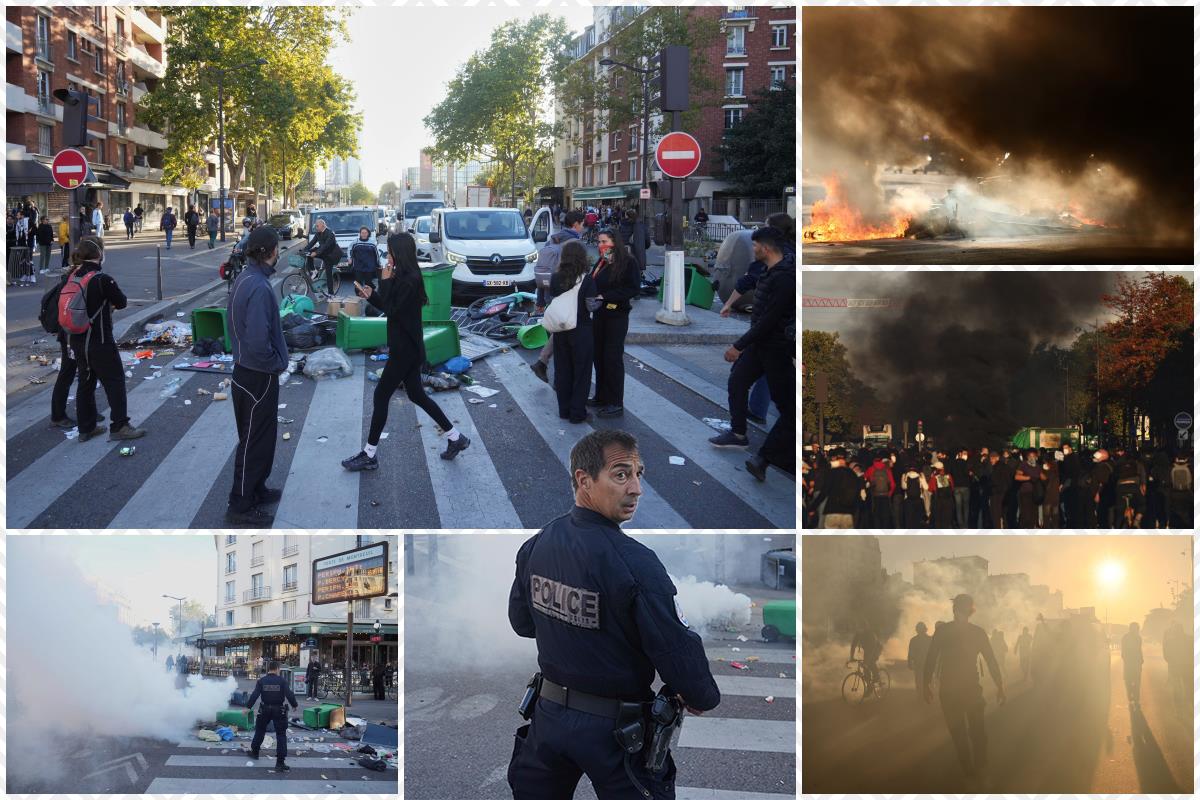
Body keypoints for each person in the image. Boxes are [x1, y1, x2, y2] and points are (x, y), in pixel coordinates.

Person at [506, 430, 720, 798]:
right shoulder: (636, 563)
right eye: (621, 475)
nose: (636, 488)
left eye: (639, 474)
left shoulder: (538, 543)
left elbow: (523, 623)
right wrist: (699, 695)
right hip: (616, 732)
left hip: (549, 718)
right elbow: (673, 646)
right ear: (584, 480)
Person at [342, 233, 469, 471]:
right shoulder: (404, 275)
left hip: (405, 350)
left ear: (398, 253)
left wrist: (385, 280)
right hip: (408, 346)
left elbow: (393, 310)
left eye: (390, 251)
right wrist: (373, 295)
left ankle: (369, 454)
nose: (387, 256)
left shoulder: (409, 279)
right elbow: (390, 307)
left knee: (381, 396)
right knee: (417, 395)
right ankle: (456, 437)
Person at [709, 227, 795, 482]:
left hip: (778, 349)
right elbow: (754, 297)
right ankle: (738, 434)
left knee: (789, 409)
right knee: (737, 382)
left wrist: (738, 345)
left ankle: (764, 458)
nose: (753, 249)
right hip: (760, 345)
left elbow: (769, 319)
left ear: (766, 248)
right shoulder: (768, 270)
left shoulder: (785, 277)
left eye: (756, 246)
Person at [226, 226, 288, 526]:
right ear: (270, 251)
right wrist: (276, 362)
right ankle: (240, 504)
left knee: (260, 439)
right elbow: (258, 341)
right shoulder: (260, 287)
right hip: (257, 374)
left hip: (245, 371)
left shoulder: (245, 278)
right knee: (253, 442)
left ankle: (256, 490)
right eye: (277, 248)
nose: (279, 252)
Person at [66, 237, 146, 443]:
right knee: (115, 381)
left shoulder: (72, 275)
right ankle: (119, 426)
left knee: (86, 383)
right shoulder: (102, 279)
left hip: (77, 339)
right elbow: (121, 302)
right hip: (100, 340)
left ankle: (86, 428)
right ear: (99, 254)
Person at [923, 594, 1005, 779]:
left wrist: (925, 684)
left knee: (960, 733)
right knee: (977, 731)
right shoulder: (977, 632)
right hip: (969, 689)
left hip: (952, 690)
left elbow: (931, 659)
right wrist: (1000, 686)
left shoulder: (944, 631)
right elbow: (991, 660)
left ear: (955, 609)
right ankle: (979, 768)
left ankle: (971, 770)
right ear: (971, 610)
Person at [587, 228, 639, 419]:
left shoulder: (628, 262)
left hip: (617, 315)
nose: (600, 246)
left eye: (604, 242)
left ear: (614, 243)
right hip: (599, 314)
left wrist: (606, 296)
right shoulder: (602, 261)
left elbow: (632, 288)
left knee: (612, 358)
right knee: (598, 357)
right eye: (599, 242)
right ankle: (601, 396)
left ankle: (616, 402)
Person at [530, 211, 584, 383]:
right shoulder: (576, 244)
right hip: (568, 294)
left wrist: (540, 300)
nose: (583, 227)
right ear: (576, 224)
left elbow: (543, 271)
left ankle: (545, 365)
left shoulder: (552, 239)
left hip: (549, 293)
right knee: (564, 336)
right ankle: (552, 371)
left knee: (558, 332)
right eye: (582, 224)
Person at [547, 240, 596, 424]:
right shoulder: (588, 279)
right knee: (581, 373)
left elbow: (553, 298)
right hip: (581, 330)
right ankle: (577, 413)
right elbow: (590, 307)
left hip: (561, 330)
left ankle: (564, 410)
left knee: (563, 371)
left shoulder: (556, 278)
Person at [247, 660, 299, 772]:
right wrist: (294, 705)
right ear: (277, 669)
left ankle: (255, 752)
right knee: (281, 735)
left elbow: (255, 694)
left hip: (264, 709)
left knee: (260, 730)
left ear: (268, 669)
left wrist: (248, 707)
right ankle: (280, 762)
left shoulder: (262, 681)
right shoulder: (282, 681)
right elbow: (289, 694)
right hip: (279, 710)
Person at [304, 218, 341, 294]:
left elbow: (325, 246)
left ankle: (331, 294)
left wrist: (316, 253)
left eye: (317, 226)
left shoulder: (330, 234)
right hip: (323, 251)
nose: (316, 227)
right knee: (309, 253)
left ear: (322, 225)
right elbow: (312, 242)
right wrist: (304, 250)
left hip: (331, 255)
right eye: (315, 226)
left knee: (328, 274)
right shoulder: (318, 233)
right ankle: (314, 271)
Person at [1113, 446, 1146, 528]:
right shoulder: (1138, 465)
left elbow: (1114, 477)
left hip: (1120, 487)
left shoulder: (1119, 464)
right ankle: (1137, 520)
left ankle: (1117, 528)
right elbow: (1143, 481)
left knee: (1119, 511)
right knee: (1142, 504)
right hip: (1134, 486)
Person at [1161, 619, 1189, 714]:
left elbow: (1166, 655)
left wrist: (1171, 662)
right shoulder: (1190, 639)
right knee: (1188, 686)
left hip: (1175, 667)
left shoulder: (1169, 641)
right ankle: (1189, 705)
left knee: (1177, 687)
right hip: (1187, 666)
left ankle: (1179, 709)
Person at [865, 451, 895, 527]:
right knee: (885, 515)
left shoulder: (870, 469)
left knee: (876, 515)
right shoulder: (887, 469)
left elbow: (865, 480)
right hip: (885, 495)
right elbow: (893, 484)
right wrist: (889, 494)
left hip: (874, 496)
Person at [849, 620, 882, 688]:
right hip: (867, 650)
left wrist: (866, 662)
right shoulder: (858, 634)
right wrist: (851, 657)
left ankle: (877, 677)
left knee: (871, 662)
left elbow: (872, 650)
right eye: (859, 628)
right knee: (865, 669)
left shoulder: (871, 635)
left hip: (876, 649)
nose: (860, 629)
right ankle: (869, 686)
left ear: (866, 627)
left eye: (862, 628)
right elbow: (853, 646)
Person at [617, 208, 648, 278]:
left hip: (624, 250)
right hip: (636, 251)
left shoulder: (622, 225)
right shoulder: (640, 225)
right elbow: (646, 239)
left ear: (627, 216)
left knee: (625, 268)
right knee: (636, 269)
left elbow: (618, 238)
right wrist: (644, 246)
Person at [348, 226, 379, 292]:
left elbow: (377, 254)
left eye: (365, 233)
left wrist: (378, 263)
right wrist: (349, 258)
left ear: (368, 233)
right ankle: (358, 297)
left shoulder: (372, 243)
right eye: (362, 233)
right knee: (358, 282)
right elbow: (350, 249)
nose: (364, 234)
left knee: (368, 283)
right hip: (358, 265)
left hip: (369, 266)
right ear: (360, 233)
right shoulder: (355, 242)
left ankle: (370, 296)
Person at [907, 622, 932, 701]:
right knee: (922, 680)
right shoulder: (929, 639)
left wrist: (910, 662)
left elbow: (910, 653)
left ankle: (922, 695)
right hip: (923, 664)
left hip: (922, 663)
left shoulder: (915, 640)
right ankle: (922, 695)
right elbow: (911, 653)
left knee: (920, 680)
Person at [1121, 622, 1143, 708]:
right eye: (1135, 628)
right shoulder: (1126, 638)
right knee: (1129, 681)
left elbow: (1139, 649)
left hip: (1136, 663)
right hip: (1129, 663)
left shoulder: (1138, 638)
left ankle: (1136, 698)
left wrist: (1141, 659)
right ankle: (1131, 697)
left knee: (1136, 682)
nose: (1136, 630)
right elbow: (1124, 651)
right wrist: (1127, 659)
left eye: (1137, 628)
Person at [1167, 453, 1192, 528]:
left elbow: (1171, 481)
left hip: (1175, 492)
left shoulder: (1173, 469)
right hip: (1186, 492)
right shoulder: (1188, 469)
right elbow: (1190, 481)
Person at [1090, 449, 1114, 528]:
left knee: (1101, 513)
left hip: (1102, 494)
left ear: (1103, 456)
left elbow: (1101, 482)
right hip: (1109, 493)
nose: (1096, 456)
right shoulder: (1110, 464)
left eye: (1098, 454)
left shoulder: (1101, 466)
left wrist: (1097, 493)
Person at [988, 451, 1011, 528]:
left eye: (992, 458)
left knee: (995, 515)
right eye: (990, 458)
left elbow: (993, 481)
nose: (991, 460)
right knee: (1005, 515)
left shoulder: (995, 468)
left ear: (997, 458)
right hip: (1006, 494)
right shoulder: (1006, 466)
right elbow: (1009, 480)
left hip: (996, 494)